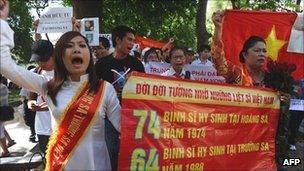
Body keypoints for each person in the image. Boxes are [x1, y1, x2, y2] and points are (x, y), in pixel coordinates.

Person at [0, 1, 120, 170]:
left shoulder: (104, 89)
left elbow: (126, 127)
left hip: (98, 166)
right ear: (60, 57)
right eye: (69, 46)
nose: (76, 50)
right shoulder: (47, 86)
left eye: (82, 45)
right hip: (61, 165)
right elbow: (6, 66)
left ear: (88, 54)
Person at [211, 11, 290, 103]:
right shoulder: (235, 72)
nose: (262, 54)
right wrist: (218, 28)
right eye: (257, 51)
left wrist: (285, 101)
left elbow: (279, 105)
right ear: (245, 55)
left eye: (264, 51)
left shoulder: (273, 77)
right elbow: (217, 58)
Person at [94, 25, 144, 171]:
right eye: (129, 39)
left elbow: (144, 90)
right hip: (109, 118)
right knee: (112, 152)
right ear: (118, 40)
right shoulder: (102, 64)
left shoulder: (137, 64)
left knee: (132, 154)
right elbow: (94, 90)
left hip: (133, 117)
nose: (132, 43)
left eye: (133, 40)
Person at [28, 39, 55, 155]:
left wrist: (47, 107)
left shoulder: (65, 72)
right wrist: (31, 104)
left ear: (53, 55)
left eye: (44, 60)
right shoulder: (36, 72)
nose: (41, 64)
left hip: (60, 127)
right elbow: (31, 97)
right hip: (42, 127)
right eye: (38, 61)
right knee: (47, 159)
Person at [19, 65, 37, 143]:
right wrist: (25, 104)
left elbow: (22, 95)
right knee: (30, 118)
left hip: (33, 101)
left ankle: (33, 133)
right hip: (30, 101)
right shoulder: (26, 82)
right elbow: (23, 95)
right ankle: (33, 133)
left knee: (31, 118)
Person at [0, 74, 15, 157]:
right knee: (2, 129)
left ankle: (5, 151)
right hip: (4, 112)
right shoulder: (4, 87)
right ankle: (9, 142)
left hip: (1, 112)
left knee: (0, 132)